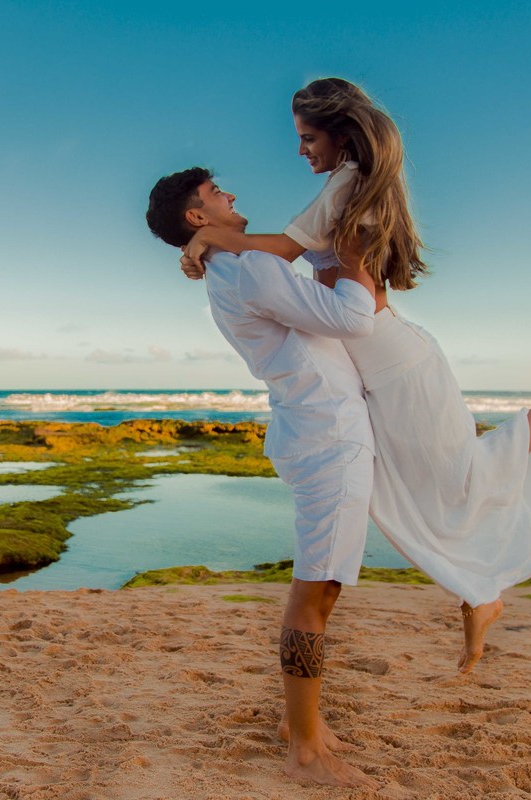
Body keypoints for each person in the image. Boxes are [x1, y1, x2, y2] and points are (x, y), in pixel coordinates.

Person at [178, 77, 531, 673]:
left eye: (307, 137)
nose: (300, 150)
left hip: (396, 361)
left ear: (340, 133)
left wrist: (207, 236)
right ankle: (478, 594)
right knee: (416, 493)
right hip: (377, 368)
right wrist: (210, 240)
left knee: (457, 480)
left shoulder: (349, 180)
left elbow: (284, 251)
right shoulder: (350, 182)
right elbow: (289, 258)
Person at [147, 167, 381, 789]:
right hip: (327, 433)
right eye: (218, 192)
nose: (231, 196)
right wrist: (356, 256)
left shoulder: (235, 265)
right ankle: (303, 744)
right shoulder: (249, 267)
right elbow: (354, 318)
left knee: (323, 587)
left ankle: (299, 724)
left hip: (316, 425)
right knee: (315, 591)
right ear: (198, 216)